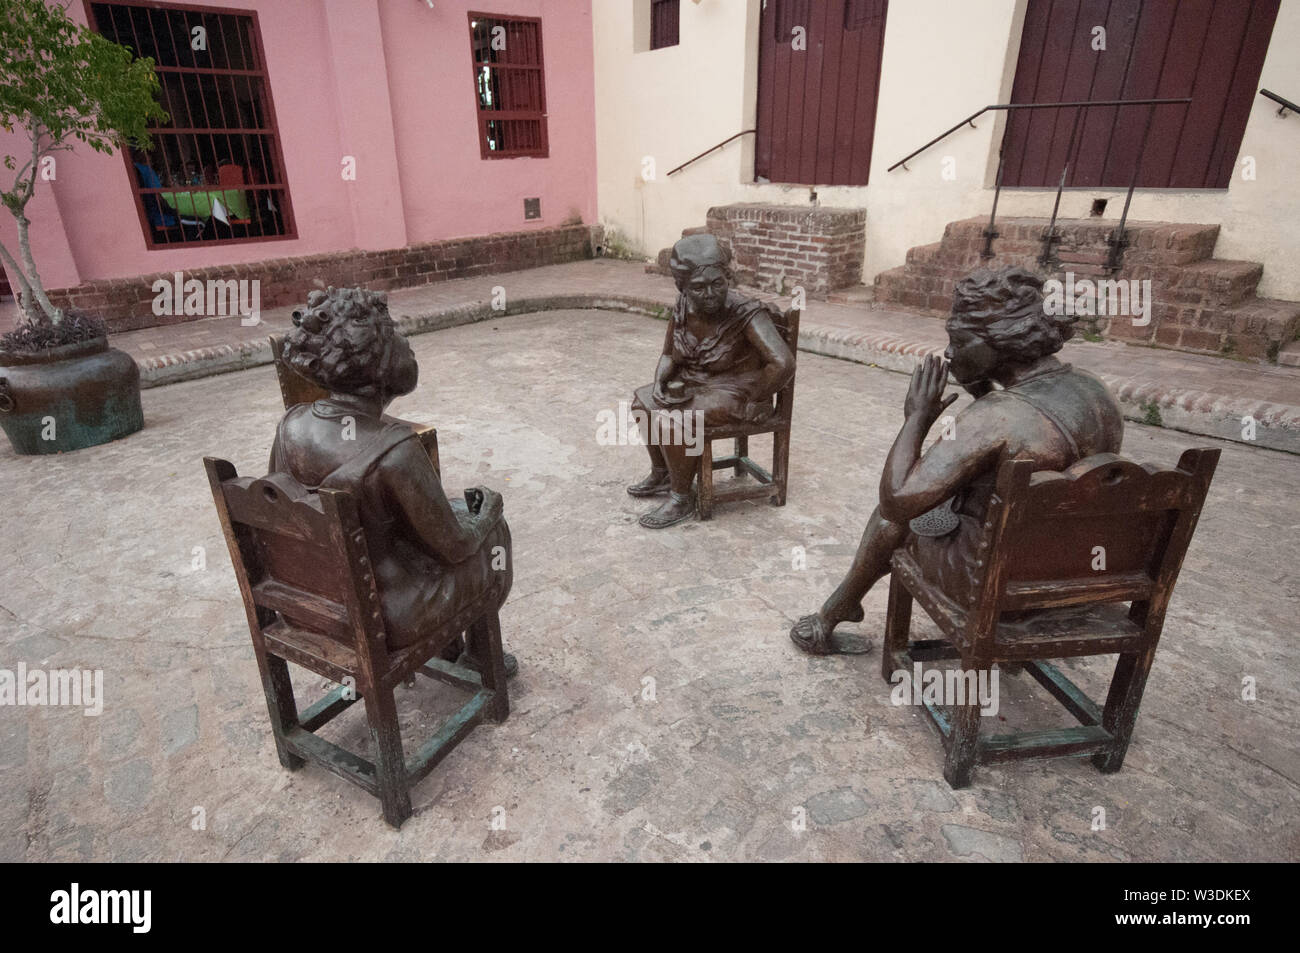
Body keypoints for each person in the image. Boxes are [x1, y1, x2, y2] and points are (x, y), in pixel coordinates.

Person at [790, 266, 1124, 655]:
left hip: (996, 582)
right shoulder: (1096, 391)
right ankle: (842, 606)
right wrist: (982, 385)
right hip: (1072, 574)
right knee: (941, 505)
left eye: (959, 340)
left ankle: (831, 615)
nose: (949, 352)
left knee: (894, 518)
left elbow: (897, 498)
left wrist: (917, 417)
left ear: (998, 342)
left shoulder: (996, 416)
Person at [270, 287, 515, 673]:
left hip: (309, 610)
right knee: (492, 535)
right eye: (395, 331)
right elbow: (455, 546)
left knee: (421, 525)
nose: (405, 340)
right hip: (386, 618)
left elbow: (286, 519)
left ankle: (448, 643)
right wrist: (489, 512)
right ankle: (479, 655)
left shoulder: (291, 426)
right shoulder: (396, 450)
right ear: (378, 358)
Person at [627, 234, 796, 528]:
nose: (709, 294)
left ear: (727, 277)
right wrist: (659, 383)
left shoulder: (746, 313)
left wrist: (755, 397)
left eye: (717, 284)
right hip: (697, 383)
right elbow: (669, 355)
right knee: (642, 402)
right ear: (683, 287)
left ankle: (681, 498)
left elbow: (782, 363)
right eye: (698, 288)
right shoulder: (682, 307)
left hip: (737, 392)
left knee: (673, 421)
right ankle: (664, 472)